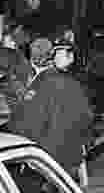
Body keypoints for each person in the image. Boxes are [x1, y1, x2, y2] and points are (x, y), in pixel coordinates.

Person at [8, 41, 95, 178]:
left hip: (44, 159)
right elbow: (86, 119)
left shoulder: (41, 82)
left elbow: (24, 120)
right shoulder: (75, 83)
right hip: (69, 158)